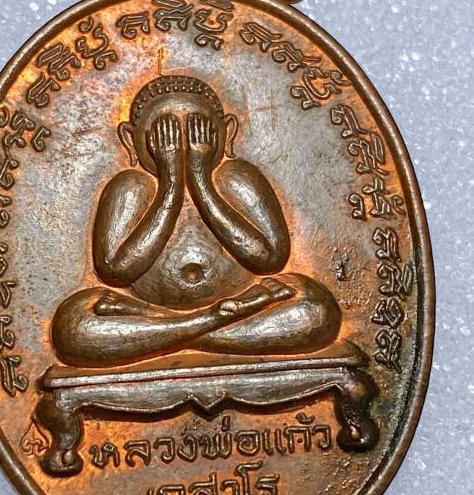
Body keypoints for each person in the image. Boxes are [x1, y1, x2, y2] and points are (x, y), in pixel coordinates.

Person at [52, 75, 341, 368]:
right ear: (130, 139)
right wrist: (171, 184)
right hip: (218, 312)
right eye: (164, 134)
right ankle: (210, 323)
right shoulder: (130, 186)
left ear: (227, 132)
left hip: (233, 303)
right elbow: (116, 272)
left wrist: (201, 181)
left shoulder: (236, 177)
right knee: (73, 325)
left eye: (198, 130)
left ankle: (174, 333)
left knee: (316, 310)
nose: (182, 146)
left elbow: (270, 260)